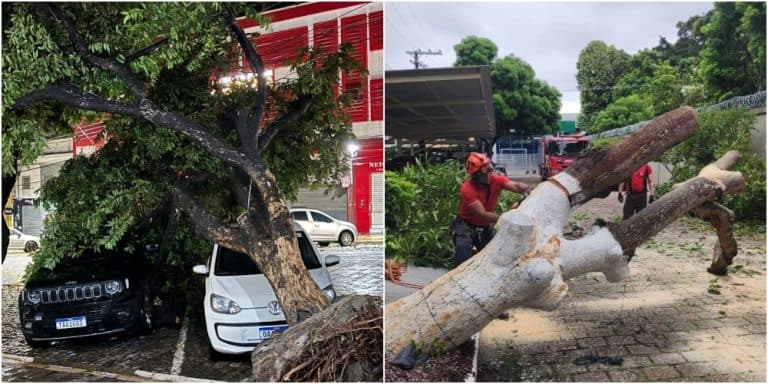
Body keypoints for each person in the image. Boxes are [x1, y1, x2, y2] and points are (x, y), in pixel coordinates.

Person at [450, 152, 531, 268]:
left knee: (493, 256)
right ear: (476, 175)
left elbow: (516, 186)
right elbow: (481, 214)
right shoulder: (467, 188)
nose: (489, 175)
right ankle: (458, 276)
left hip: (484, 227)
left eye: (490, 171)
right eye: (485, 173)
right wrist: (506, 217)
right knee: (463, 248)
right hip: (465, 225)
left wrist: (527, 189)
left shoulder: (496, 180)